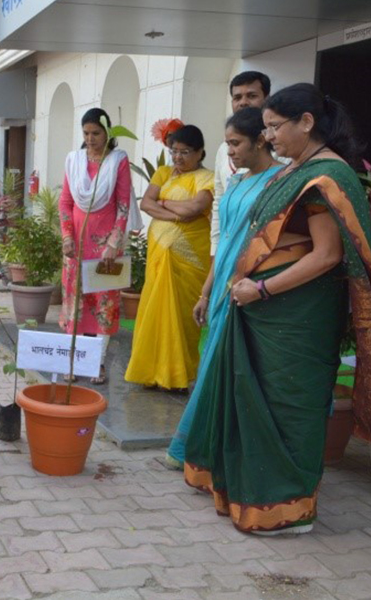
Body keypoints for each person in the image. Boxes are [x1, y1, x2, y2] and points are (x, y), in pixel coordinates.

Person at [184, 83, 371, 535]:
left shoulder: (326, 176)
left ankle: (288, 508)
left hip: (296, 320)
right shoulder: (298, 168)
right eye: (264, 129)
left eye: (274, 127)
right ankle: (252, 494)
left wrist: (262, 292)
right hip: (268, 313)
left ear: (307, 122)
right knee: (258, 402)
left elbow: (325, 256)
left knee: (289, 406)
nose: (268, 138)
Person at [164, 108, 283, 468]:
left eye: (235, 143)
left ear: (261, 140)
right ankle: (205, 448)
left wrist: (253, 285)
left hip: (250, 283)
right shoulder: (236, 182)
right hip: (222, 282)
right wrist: (205, 292)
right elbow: (224, 238)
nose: (229, 151)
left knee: (228, 365)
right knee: (213, 363)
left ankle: (208, 450)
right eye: (227, 143)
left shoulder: (280, 181)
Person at [125, 125, 214, 390]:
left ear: (200, 153)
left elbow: (197, 207)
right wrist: (177, 213)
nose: (178, 157)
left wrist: (162, 204)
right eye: (174, 151)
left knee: (182, 314)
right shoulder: (163, 173)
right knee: (154, 308)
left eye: (185, 152)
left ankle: (176, 376)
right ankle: (150, 373)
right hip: (158, 254)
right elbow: (146, 203)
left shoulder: (206, 177)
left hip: (190, 257)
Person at [58, 108, 134, 385]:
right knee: (74, 304)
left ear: (108, 133)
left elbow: (123, 204)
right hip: (75, 246)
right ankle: (71, 362)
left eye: (96, 134)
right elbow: (65, 202)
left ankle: (97, 364)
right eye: (86, 134)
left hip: (105, 248)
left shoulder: (117, 161)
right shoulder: (74, 161)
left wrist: (114, 242)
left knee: (104, 304)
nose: (90, 139)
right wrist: (66, 236)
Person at [212, 71, 272, 255]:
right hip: (227, 249)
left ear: (267, 98)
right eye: (237, 97)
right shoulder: (223, 149)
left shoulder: (281, 148)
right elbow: (219, 200)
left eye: (251, 96)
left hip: (262, 251)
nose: (243, 102)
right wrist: (215, 250)